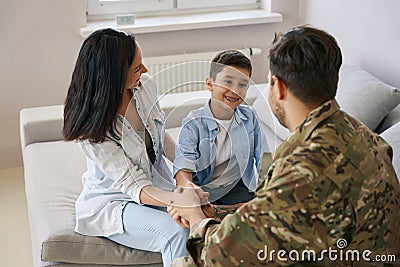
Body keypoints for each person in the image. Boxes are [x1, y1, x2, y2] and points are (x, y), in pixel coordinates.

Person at [168, 26, 400, 266]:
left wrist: (196, 218)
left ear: (277, 87)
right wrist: (213, 212)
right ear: (335, 80)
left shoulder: (304, 168)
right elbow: (270, 210)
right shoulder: (365, 136)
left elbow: (219, 256)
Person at [62, 28, 191, 267]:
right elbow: (134, 186)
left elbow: (161, 138)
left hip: (155, 185)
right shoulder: (92, 131)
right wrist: (179, 199)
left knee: (200, 219)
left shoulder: (145, 87)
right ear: (113, 76)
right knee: (176, 231)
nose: (145, 71)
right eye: (136, 68)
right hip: (115, 201)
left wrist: (185, 176)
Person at [173, 50, 263, 207]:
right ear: (210, 84)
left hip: (237, 187)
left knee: (248, 219)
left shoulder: (250, 117)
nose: (235, 90)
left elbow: (262, 157)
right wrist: (188, 188)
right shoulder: (193, 123)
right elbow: (183, 166)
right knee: (197, 217)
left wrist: (266, 190)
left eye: (243, 84)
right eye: (228, 82)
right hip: (204, 188)